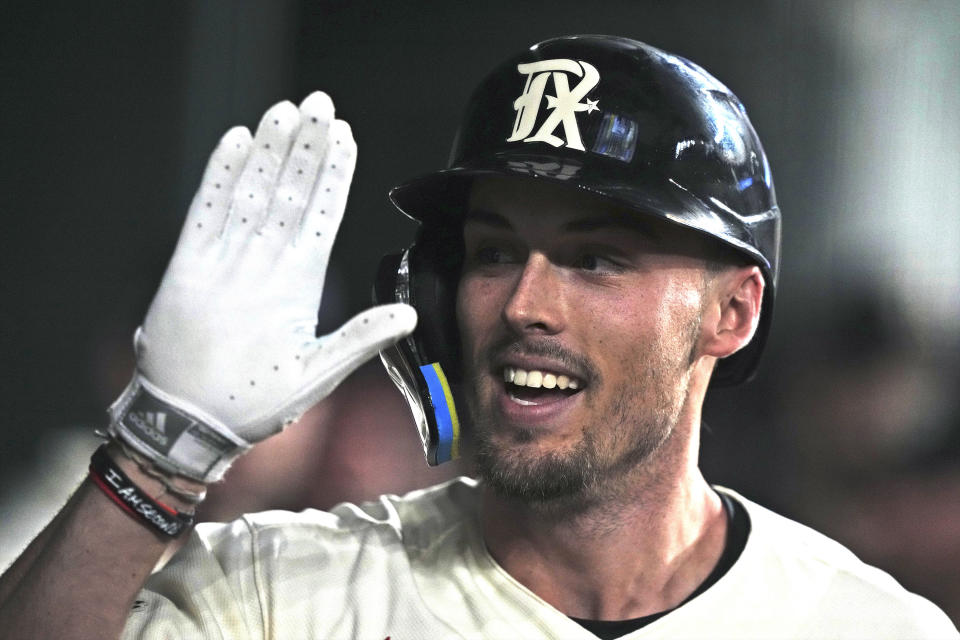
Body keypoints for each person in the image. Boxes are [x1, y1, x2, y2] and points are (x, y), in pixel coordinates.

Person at [0, 35, 956, 640]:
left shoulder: (868, 629)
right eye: (495, 253)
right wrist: (160, 453)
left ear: (731, 313)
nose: (524, 303)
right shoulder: (278, 592)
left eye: (596, 261)